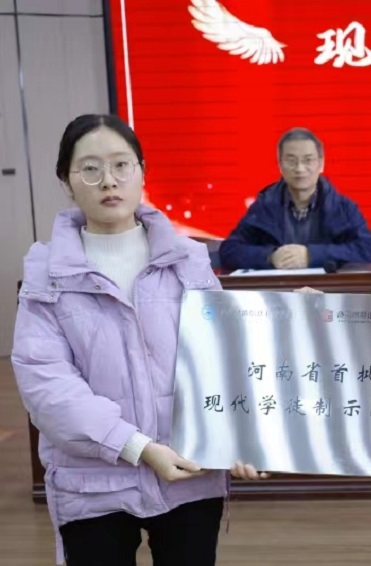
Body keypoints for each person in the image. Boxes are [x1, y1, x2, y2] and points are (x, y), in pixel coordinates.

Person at [11, 114, 228, 565]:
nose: (108, 180)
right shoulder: (46, 275)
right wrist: (137, 447)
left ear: (142, 172)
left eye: (121, 165)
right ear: (67, 181)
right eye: (90, 169)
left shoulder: (189, 260)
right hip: (92, 483)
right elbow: (47, 386)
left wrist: (239, 436)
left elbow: (223, 357)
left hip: (190, 472)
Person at [219, 127, 371, 270]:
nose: (300, 168)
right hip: (278, 289)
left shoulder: (343, 207)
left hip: (327, 290)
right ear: (280, 165)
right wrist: (270, 256)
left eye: (308, 160)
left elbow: (368, 250)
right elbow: (229, 251)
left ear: (321, 164)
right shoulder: (264, 206)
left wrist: (312, 255)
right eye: (291, 161)